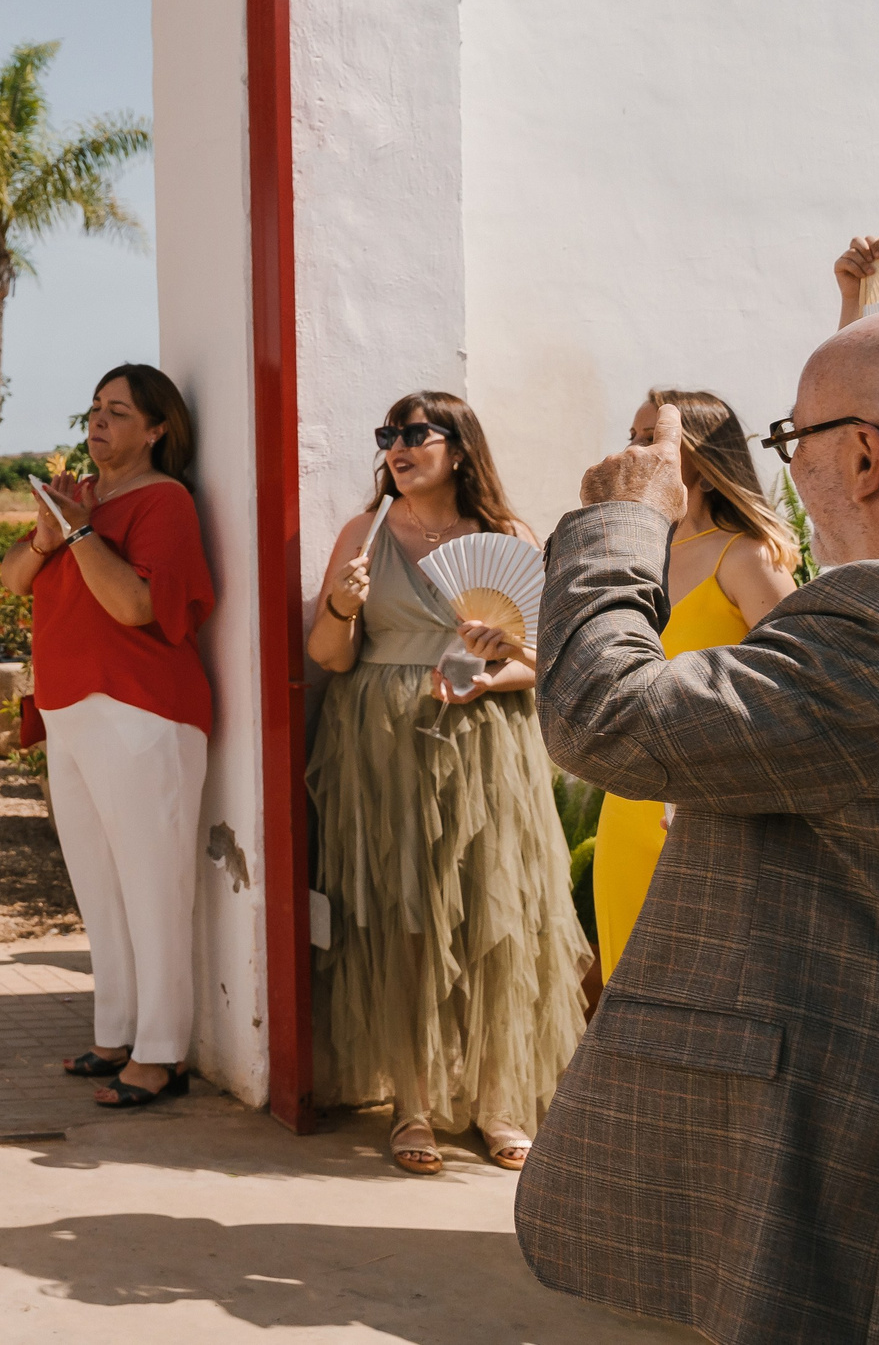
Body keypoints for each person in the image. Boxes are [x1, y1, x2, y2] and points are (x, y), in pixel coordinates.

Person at [517, 357, 879, 1342]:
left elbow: (605, 714)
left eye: (792, 439)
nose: (789, 466)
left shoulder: (872, 631)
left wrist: (617, 523)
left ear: (860, 458)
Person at [303, 392, 587, 1176]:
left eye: (415, 433)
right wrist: (339, 603)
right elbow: (329, 655)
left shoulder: (511, 537)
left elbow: (546, 660)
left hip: (486, 738)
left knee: (496, 916)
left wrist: (491, 678)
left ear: (459, 449)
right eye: (387, 435)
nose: (397, 446)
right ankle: (414, 1104)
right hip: (384, 741)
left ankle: (499, 1100)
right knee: (407, 918)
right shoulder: (363, 533)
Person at [0, 366, 215, 1110]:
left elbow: (133, 604)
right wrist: (50, 530)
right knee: (99, 886)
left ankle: (162, 1052)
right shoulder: (76, 500)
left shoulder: (166, 500)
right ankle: (116, 1030)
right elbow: (11, 579)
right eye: (94, 408)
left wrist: (81, 532)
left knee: (153, 887)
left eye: (117, 412)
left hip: (143, 710)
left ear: (155, 429)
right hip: (69, 709)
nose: (99, 422)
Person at [584, 392, 795, 983]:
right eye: (632, 433)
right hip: (628, 802)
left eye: (651, 438)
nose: (633, 450)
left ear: (699, 459)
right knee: (627, 979)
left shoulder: (750, 554)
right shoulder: (633, 551)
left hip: (709, 801)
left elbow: (794, 683)